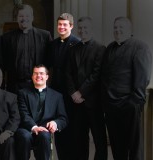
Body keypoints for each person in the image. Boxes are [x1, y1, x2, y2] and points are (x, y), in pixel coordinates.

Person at [101, 17, 152, 160]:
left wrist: (133, 102)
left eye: (121, 28)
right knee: (117, 147)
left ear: (130, 30)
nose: (117, 31)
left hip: (130, 106)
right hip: (111, 107)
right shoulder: (110, 47)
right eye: (115, 28)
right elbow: (105, 76)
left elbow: (142, 78)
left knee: (134, 147)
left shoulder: (140, 47)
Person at [65, 17, 107, 160]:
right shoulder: (73, 49)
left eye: (85, 28)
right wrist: (73, 93)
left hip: (94, 102)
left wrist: (81, 92)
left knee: (99, 140)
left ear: (91, 28)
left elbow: (96, 74)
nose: (83, 30)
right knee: (80, 139)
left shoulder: (100, 48)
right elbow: (68, 73)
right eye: (80, 28)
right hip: (77, 102)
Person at [45, 12, 80, 160]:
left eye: (65, 25)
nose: (61, 27)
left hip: (71, 93)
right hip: (56, 92)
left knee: (72, 130)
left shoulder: (77, 43)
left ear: (71, 26)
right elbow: (48, 66)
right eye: (59, 25)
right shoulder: (52, 44)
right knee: (58, 130)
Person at [15, 64, 68, 160]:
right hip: (27, 128)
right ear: (32, 76)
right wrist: (34, 127)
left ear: (47, 77)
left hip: (45, 130)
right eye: (35, 73)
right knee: (24, 136)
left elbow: (63, 118)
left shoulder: (57, 96)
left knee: (44, 135)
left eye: (41, 73)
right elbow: (23, 114)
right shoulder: (22, 93)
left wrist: (55, 123)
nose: (38, 76)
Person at [1, 4, 52, 93]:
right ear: (16, 18)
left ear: (32, 17)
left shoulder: (45, 36)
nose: (24, 18)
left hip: (37, 85)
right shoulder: (7, 38)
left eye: (27, 16)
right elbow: (2, 63)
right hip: (14, 86)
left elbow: (50, 62)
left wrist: (47, 83)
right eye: (21, 16)